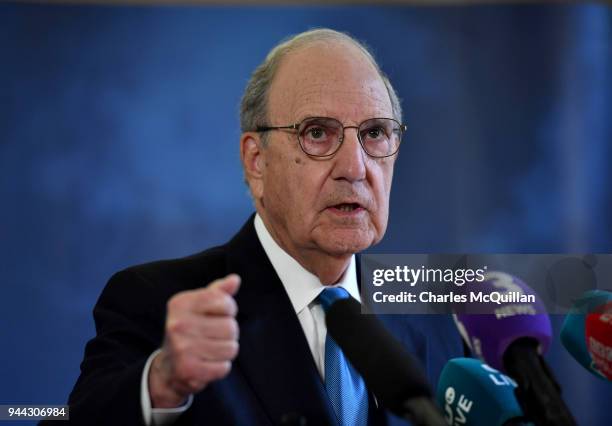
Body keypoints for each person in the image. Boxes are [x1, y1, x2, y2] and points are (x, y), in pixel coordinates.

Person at [63, 28, 463, 426]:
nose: (355, 168)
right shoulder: (158, 304)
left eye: (375, 133)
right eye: (318, 133)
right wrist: (162, 382)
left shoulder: (427, 313)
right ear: (256, 161)